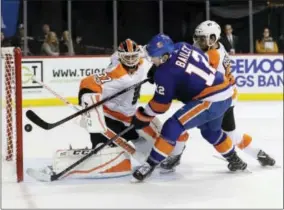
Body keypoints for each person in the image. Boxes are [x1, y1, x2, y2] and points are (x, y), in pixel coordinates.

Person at [27, 38, 187, 181]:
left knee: (165, 145)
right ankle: (66, 164)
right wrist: (88, 98)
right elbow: (88, 83)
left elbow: (150, 49)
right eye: (127, 58)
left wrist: (155, 68)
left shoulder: (140, 57)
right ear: (121, 57)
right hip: (109, 118)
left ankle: (150, 152)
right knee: (101, 154)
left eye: (133, 57)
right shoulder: (116, 73)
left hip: (130, 116)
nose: (131, 61)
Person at [159, 21, 276, 173]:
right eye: (197, 38)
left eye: (202, 39)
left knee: (200, 128)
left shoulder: (212, 56)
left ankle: (176, 156)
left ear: (213, 39)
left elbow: (197, 78)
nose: (197, 42)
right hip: (226, 94)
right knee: (224, 134)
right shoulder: (217, 47)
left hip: (221, 98)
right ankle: (257, 154)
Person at [130, 33, 247, 182]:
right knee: (210, 131)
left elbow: (160, 106)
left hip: (210, 99)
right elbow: (200, 60)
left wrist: (144, 116)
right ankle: (234, 159)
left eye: (153, 57)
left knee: (173, 125)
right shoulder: (181, 46)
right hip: (225, 91)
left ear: (165, 57)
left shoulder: (165, 73)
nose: (151, 60)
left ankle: (150, 164)